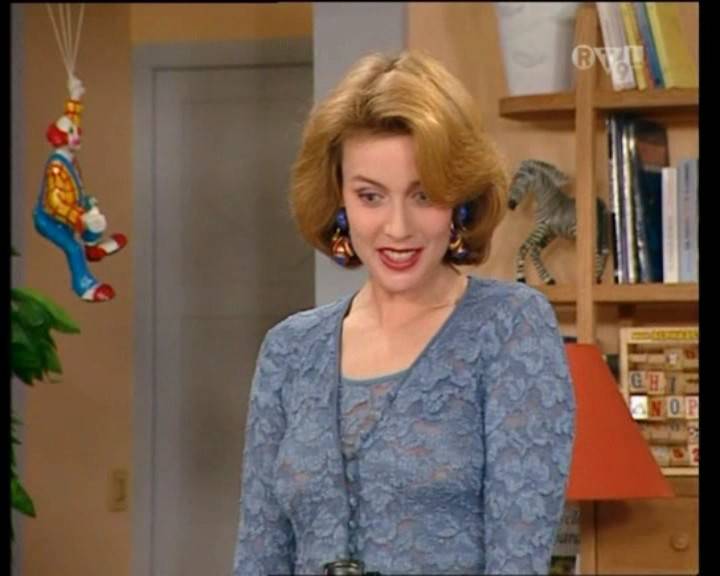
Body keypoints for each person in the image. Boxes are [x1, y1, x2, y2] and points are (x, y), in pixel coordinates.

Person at [232, 50, 575, 576]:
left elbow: (518, 560)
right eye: (370, 196)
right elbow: (259, 556)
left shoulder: (510, 327)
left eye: (423, 195)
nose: (397, 228)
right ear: (339, 201)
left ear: (460, 201)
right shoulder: (289, 350)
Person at [34, 75, 127, 302]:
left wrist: (74, 96)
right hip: (49, 220)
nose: (77, 135)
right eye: (71, 134)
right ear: (61, 139)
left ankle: (92, 249)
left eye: (76, 132)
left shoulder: (68, 156)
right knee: (73, 248)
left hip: (71, 207)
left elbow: (71, 119)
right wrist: (79, 217)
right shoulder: (56, 167)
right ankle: (85, 286)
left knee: (93, 210)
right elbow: (55, 202)